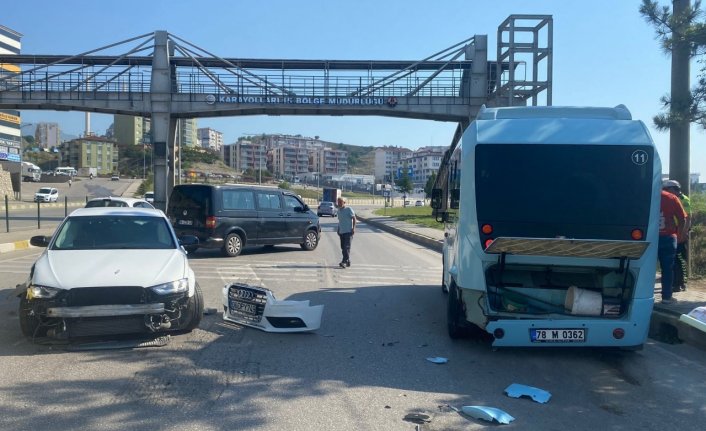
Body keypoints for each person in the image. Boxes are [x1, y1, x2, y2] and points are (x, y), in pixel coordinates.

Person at [658, 184, 688, 304]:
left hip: (648, 238)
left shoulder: (643, 195)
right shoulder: (671, 198)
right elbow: (682, 219)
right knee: (667, 268)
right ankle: (666, 297)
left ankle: (643, 295)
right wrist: (680, 235)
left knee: (646, 269)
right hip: (668, 238)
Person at [662, 179, 691, 292]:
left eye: (666, 190)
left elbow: (687, 218)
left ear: (673, 189)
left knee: (678, 258)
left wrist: (683, 233)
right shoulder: (671, 198)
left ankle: (680, 283)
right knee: (674, 259)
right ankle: (676, 282)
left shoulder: (683, 199)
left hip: (680, 231)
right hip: (672, 231)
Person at [336, 196, 356, 268]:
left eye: (340, 202)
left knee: (346, 247)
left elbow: (354, 218)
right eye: (338, 202)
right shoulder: (338, 211)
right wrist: (338, 229)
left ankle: (344, 262)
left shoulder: (348, 209)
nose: (339, 203)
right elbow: (340, 221)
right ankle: (348, 261)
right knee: (342, 247)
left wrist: (353, 228)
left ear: (344, 203)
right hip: (342, 232)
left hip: (348, 231)